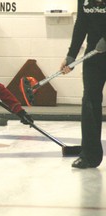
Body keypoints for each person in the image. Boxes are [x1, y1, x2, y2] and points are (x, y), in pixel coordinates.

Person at [60, 0, 106, 168]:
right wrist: (71, 56)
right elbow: (81, 24)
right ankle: (90, 155)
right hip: (94, 55)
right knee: (89, 102)